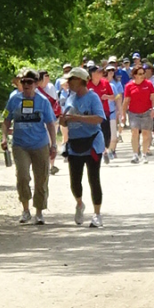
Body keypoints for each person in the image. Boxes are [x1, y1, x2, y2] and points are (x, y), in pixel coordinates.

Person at [2, 69, 58, 224]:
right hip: (20, 145)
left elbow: (50, 124)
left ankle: (39, 212)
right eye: (23, 82)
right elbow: (6, 120)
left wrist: (53, 144)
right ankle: (25, 210)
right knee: (23, 176)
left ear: (36, 84)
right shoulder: (14, 100)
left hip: (40, 144)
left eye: (29, 82)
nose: (26, 85)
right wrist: (4, 137)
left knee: (41, 179)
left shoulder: (43, 101)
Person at [61, 67, 105, 228]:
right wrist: (64, 120)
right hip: (75, 144)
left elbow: (99, 118)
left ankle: (97, 214)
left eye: (71, 80)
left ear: (80, 80)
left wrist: (77, 117)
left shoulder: (93, 97)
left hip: (92, 143)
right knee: (74, 181)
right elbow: (66, 119)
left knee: (93, 179)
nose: (68, 83)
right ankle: (79, 203)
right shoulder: (69, 98)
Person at [122, 64, 154, 163]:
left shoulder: (149, 84)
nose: (142, 75)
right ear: (134, 75)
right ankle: (135, 154)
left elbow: (153, 97)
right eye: (140, 74)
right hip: (133, 113)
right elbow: (126, 101)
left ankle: (144, 154)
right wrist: (123, 115)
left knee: (146, 134)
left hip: (147, 112)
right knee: (134, 133)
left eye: (143, 73)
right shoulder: (129, 86)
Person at [87, 62, 114, 163]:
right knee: (94, 134)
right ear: (92, 74)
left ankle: (105, 150)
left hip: (104, 112)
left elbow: (113, 96)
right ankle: (95, 153)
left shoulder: (105, 83)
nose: (101, 73)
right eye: (98, 72)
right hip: (91, 114)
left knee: (106, 134)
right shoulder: (87, 84)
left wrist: (107, 97)